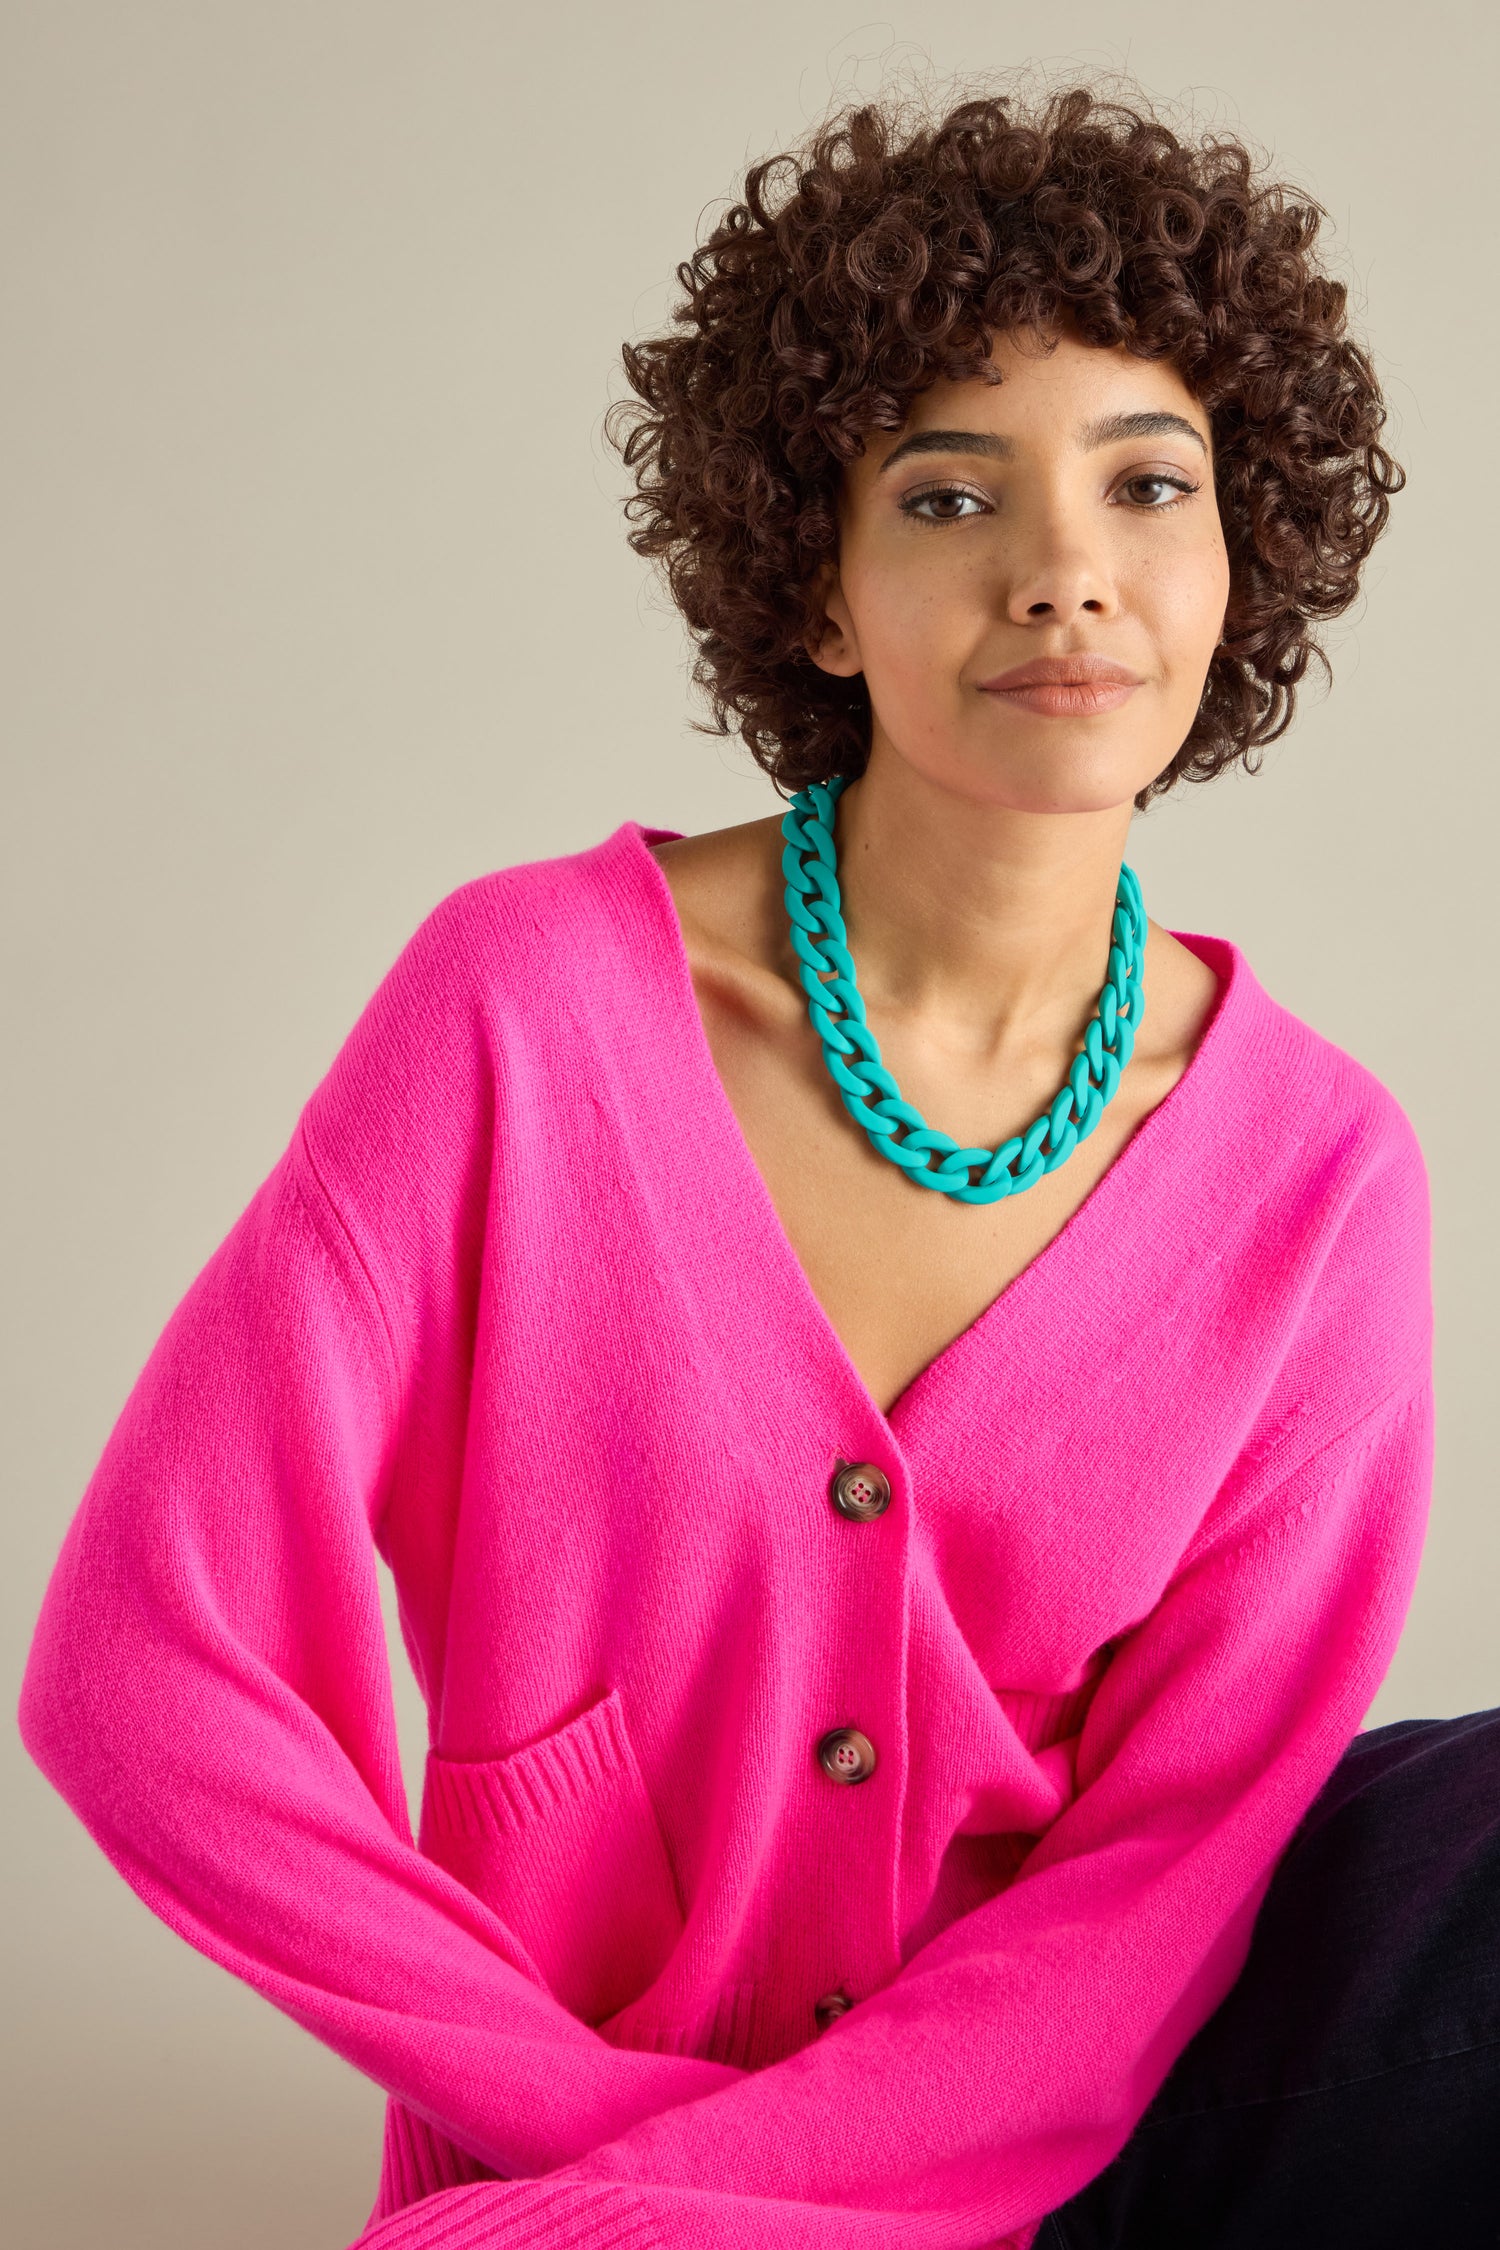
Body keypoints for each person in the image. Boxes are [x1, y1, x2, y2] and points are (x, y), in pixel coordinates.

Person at [17, 82, 1499, 2250]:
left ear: (1237, 556)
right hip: (598, 2157)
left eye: (1147, 484)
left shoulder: (1320, 1180)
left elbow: (1161, 1883)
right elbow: (141, 1670)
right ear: (818, 591)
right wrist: (611, 2153)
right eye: (948, 491)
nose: (1062, 569)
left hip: (1096, 2140)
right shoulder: (527, 1013)